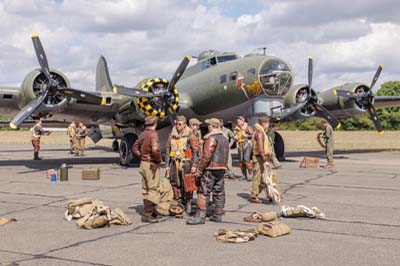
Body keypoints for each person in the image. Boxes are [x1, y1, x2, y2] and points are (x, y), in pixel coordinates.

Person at [187, 118, 229, 225]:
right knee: (219, 191)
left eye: (209, 125)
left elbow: (206, 155)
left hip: (210, 169)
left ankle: (201, 216)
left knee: (203, 192)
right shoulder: (224, 138)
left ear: (211, 126)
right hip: (221, 168)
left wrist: (200, 170)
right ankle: (218, 214)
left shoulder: (211, 138)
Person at [132, 116, 165, 223]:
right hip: (151, 164)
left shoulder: (143, 133)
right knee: (153, 188)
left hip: (143, 164)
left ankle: (152, 212)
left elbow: (134, 148)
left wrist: (142, 156)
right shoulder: (153, 134)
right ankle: (148, 214)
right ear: (155, 123)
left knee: (146, 188)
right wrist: (159, 159)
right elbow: (155, 150)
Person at [165, 115, 200, 214]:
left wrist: (194, 165)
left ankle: (188, 203)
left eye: (179, 124)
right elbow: (168, 149)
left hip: (187, 163)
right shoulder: (172, 135)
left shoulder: (190, 135)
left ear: (184, 125)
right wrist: (167, 164)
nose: (177, 126)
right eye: (176, 124)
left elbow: (195, 151)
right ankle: (179, 202)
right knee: (175, 184)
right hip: (174, 163)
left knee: (188, 184)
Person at [249, 115, 272, 204]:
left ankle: (269, 194)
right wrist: (265, 160)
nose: (269, 125)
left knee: (265, 177)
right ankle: (254, 196)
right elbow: (260, 148)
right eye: (268, 123)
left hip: (260, 158)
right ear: (264, 123)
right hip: (260, 159)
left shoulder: (259, 132)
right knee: (258, 178)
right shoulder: (260, 133)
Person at [233, 116, 253, 181]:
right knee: (241, 161)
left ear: (243, 121)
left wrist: (247, 136)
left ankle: (251, 173)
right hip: (240, 145)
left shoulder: (247, 127)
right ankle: (244, 175)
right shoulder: (236, 129)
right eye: (237, 121)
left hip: (247, 144)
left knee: (246, 160)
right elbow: (235, 137)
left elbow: (253, 136)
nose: (238, 122)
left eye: (239, 121)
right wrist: (235, 138)